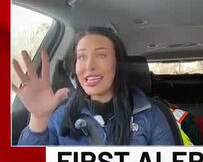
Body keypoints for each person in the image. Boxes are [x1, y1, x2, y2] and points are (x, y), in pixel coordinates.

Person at [14, 27, 178, 145]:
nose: (89, 66)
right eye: (82, 57)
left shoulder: (150, 114)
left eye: (101, 55)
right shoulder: (61, 116)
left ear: (118, 63)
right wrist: (39, 119)